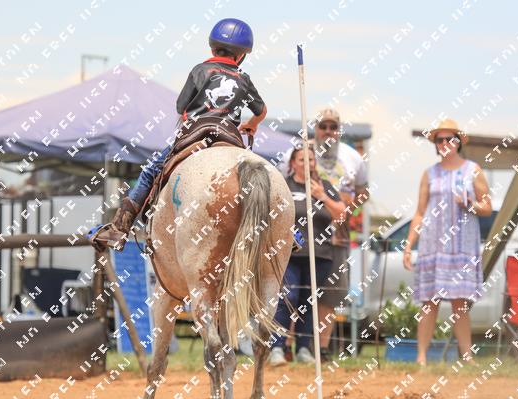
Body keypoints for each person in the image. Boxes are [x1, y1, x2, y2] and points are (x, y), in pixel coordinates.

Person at [92, 18, 268, 251]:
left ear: (212, 48)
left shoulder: (199, 70)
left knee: (150, 171)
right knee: (259, 175)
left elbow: (180, 106)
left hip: (195, 135)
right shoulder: (243, 78)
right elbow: (261, 111)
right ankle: (277, 233)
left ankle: (118, 230)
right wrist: (252, 125)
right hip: (228, 137)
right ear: (242, 55)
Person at [278, 108, 369, 360]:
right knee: (294, 291)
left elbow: (364, 191)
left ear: (339, 130)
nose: (328, 132)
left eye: (333, 127)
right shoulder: (298, 152)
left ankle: (321, 347)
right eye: (323, 127)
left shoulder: (352, 157)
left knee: (328, 293)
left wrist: (346, 207)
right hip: (300, 235)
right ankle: (288, 345)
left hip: (336, 234)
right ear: (315, 129)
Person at [402, 119, 492, 366]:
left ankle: (467, 357)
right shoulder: (429, 174)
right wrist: (408, 245)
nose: (444, 143)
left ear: (458, 142)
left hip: (462, 245)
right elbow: (420, 212)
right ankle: (421, 357)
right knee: (429, 301)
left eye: (449, 138)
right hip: (433, 245)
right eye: (439, 139)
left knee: (460, 302)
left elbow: (487, 207)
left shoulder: (473, 170)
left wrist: (471, 204)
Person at [269, 142, 346, 366]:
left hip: (320, 255)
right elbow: (271, 213)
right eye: (302, 159)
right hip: (290, 254)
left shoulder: (324, 186)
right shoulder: (284, 184)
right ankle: (277, 347)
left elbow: (341, 215)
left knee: (308, 301)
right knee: (288, 297)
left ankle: (303, 348)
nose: (307, 163)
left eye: (310, 159)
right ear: (293, 163)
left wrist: (322, 196)